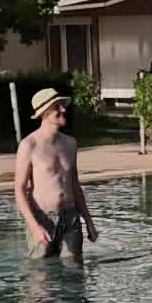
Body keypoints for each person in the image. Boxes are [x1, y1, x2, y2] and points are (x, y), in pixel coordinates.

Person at [14, 87, 98, 262]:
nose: (63, 109)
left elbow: (75, 185)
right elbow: (19, 190)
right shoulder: (28, 145)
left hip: (71, 218)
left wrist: (88, 221)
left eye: (62, 105)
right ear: (44, 113)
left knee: (74, 270)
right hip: (43, 218)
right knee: (42, 271)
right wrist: (35, 227)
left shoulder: (70, 143)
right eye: (57, 106)